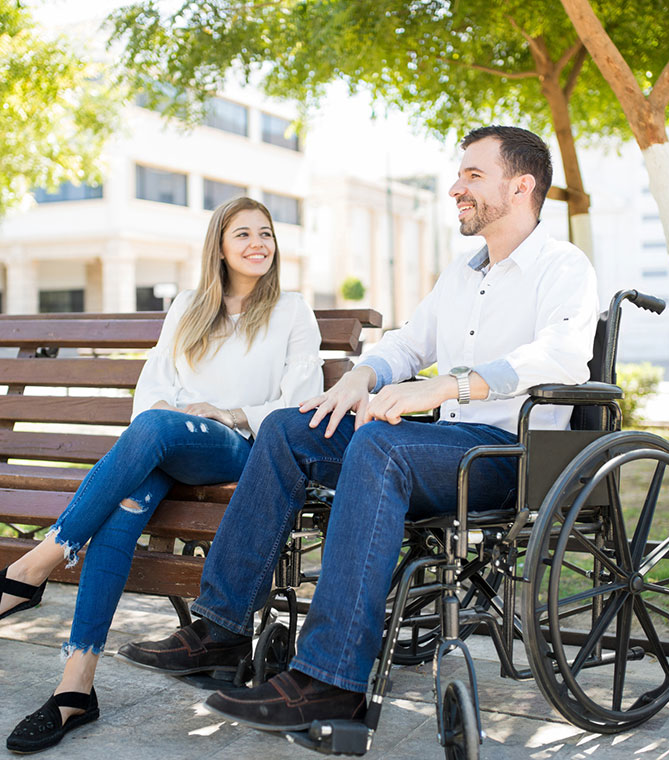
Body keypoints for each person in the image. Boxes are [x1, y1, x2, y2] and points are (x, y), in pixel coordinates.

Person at [118, 125, 599, 732]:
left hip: (507, 456)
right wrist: (361, 376)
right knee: (292, 430)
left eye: (473, 175)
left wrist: (448, 385)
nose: (456, 187)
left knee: (379, 444)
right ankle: (221, 631)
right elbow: (407, 342)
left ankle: (329, 681)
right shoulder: (462, 274)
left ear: (522, 185)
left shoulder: (563, 267)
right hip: (435, 445)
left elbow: (560, 356)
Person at [1, 196, 323, 753]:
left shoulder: (291, 310)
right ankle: (75, 687)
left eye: (266, 234)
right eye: (243, 234)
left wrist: (228, 414)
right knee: (121, 514)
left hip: (242, 448)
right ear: (219, 247)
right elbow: (154, 388)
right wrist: (176, 420)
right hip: (168, 446)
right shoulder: (190, 306)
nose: (257, 244)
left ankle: (36, 563)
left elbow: (301, 401)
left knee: (155, 428)